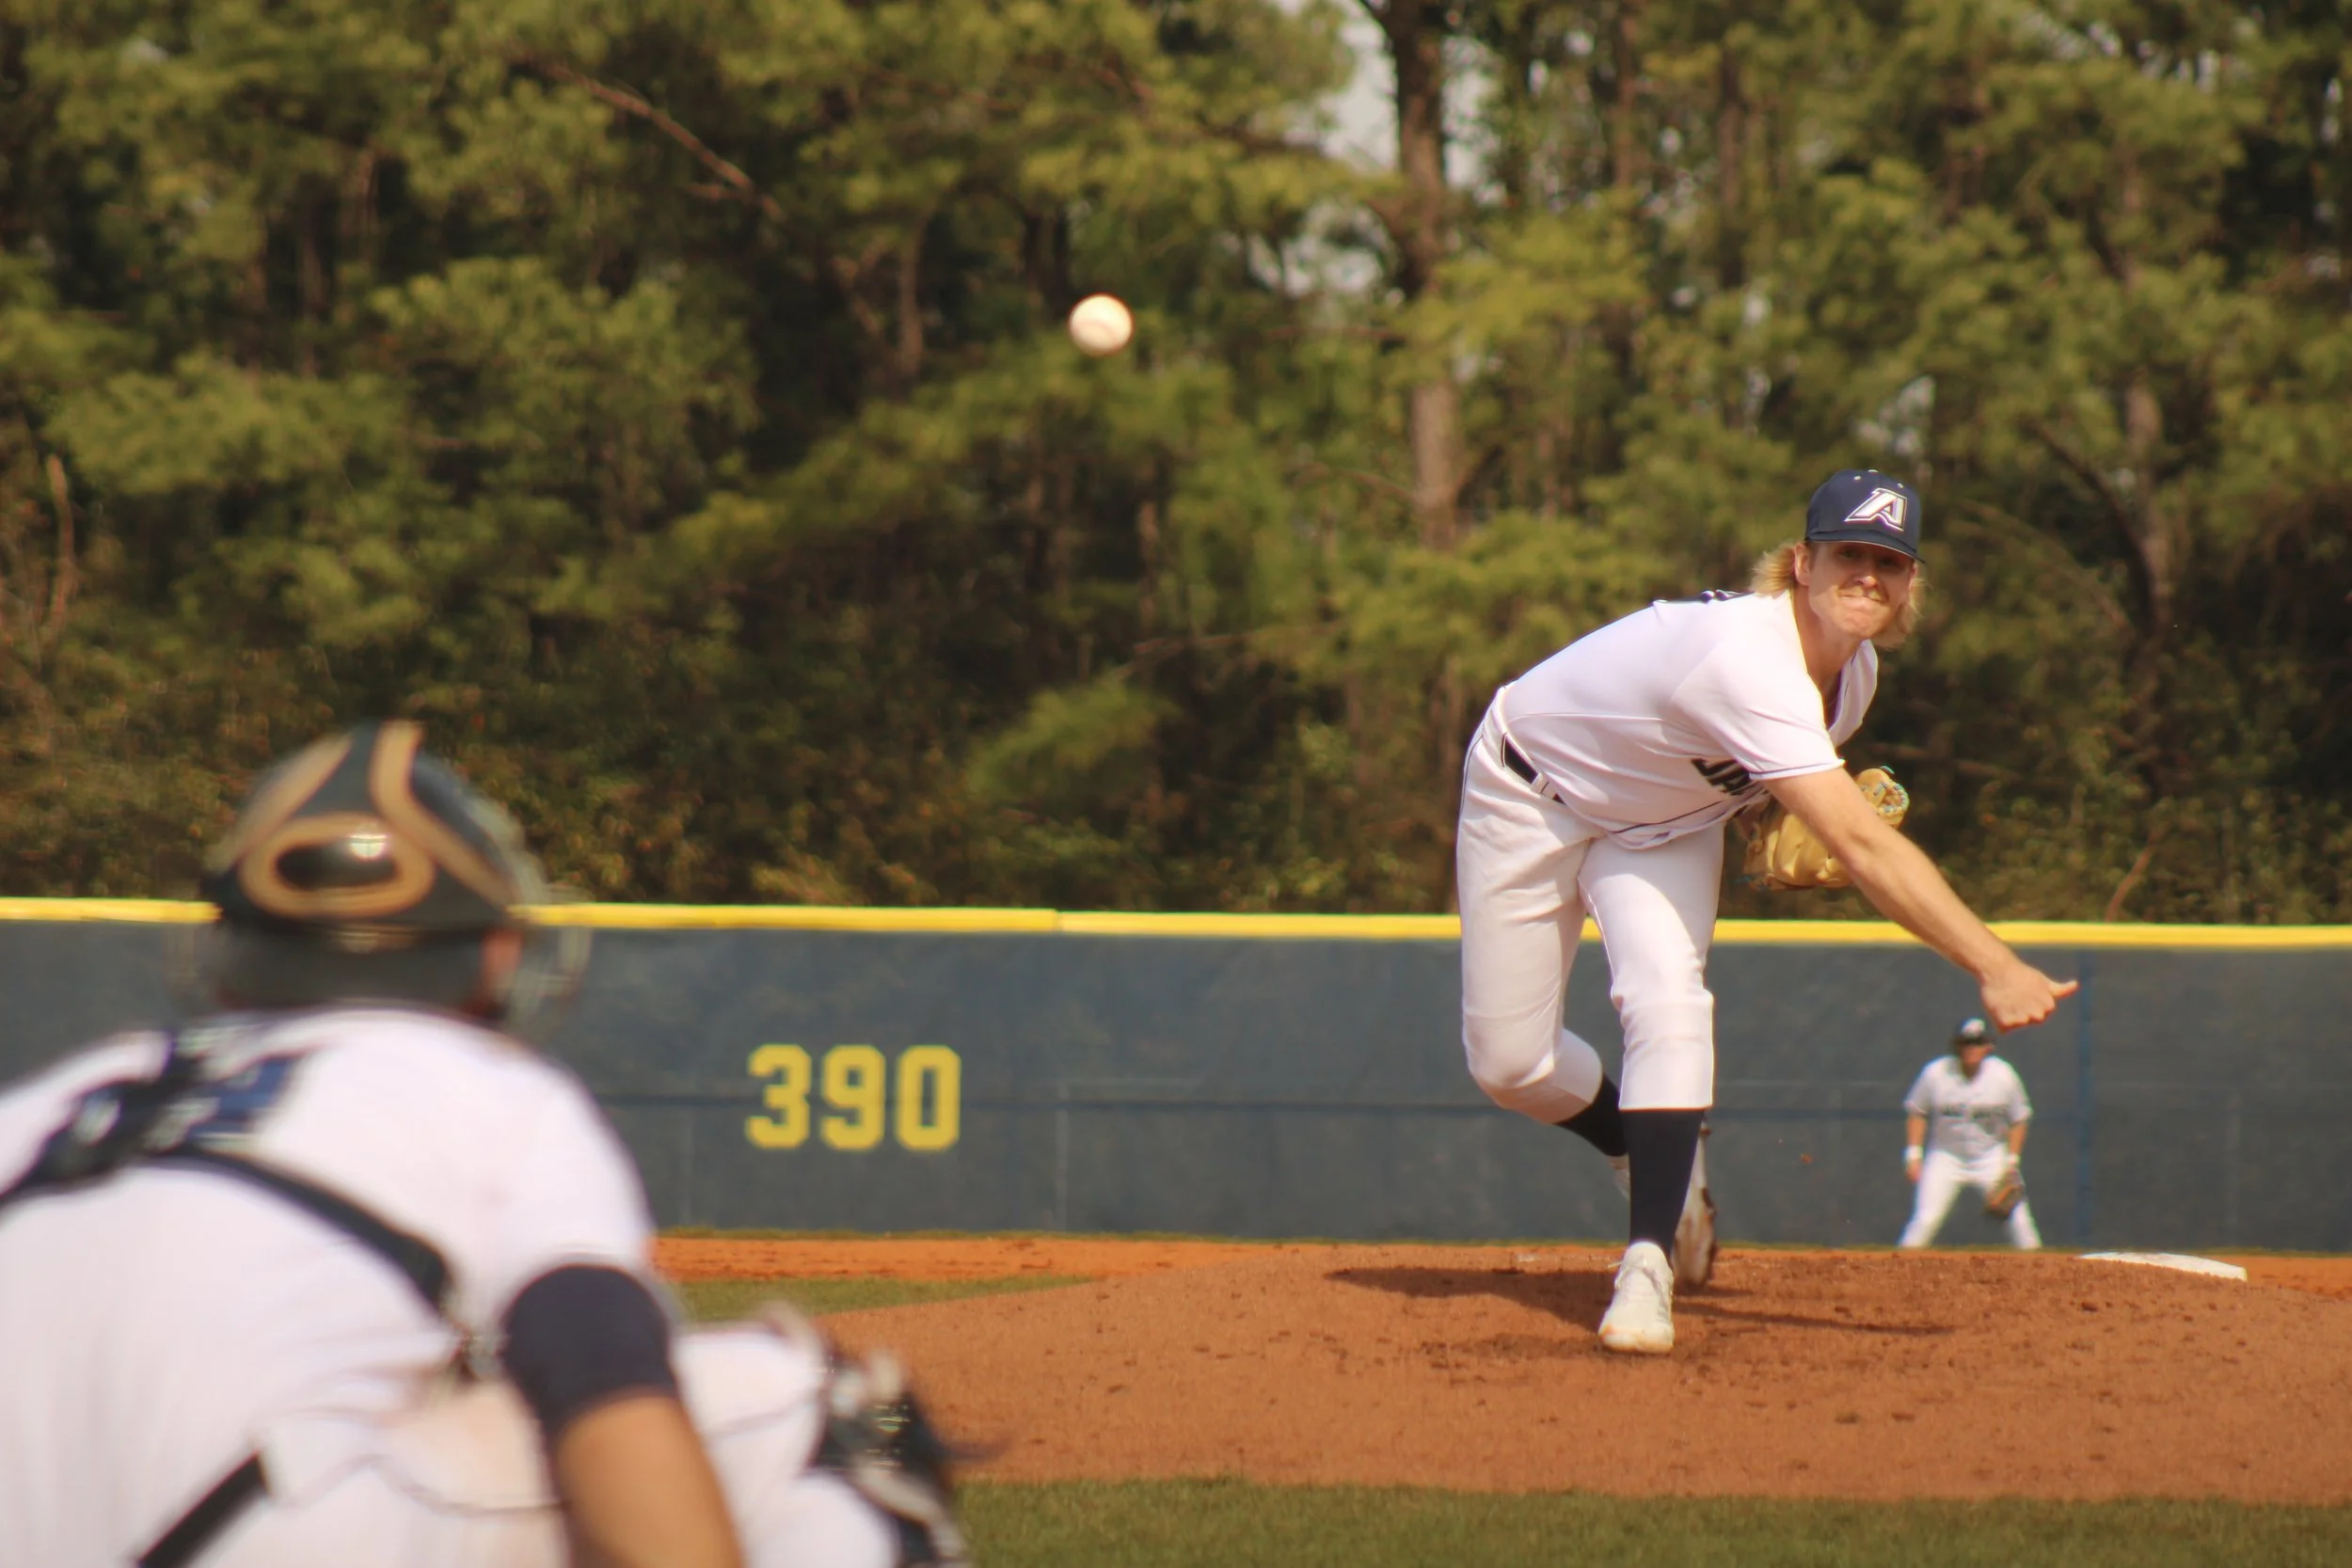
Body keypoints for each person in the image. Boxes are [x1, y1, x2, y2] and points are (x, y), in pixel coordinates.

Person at [0, 721, 963, 1568]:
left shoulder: (54, 1101)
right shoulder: (484, 1090)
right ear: (493, 949)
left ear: (230, 950)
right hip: (249, 1532)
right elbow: (598, 1372)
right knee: (828, 1409)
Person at [1454, 469, 2076, 1355]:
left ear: (1910, 586)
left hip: (1659, 825)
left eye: (1889, 563)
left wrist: (1767, 820)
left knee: (1669, 1004)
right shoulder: (1746, 657)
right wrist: (1994, 964)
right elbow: (1863, 847)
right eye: (1848, 555)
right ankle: (1637, 1141)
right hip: (1528, 789)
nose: (1868, 576)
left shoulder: (1852, 678)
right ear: (1801, 563)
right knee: (1511, 1065)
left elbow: (1747, 776)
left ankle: (1647, 1262)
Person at [1898, 1017, 2042, 1250]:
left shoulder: (2003, 1075)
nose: (1971, 1049)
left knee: (2021, 1223)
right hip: (1945, 1156)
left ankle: (2046, 1277)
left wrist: (2012, 1162)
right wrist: (1913, 1154)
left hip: (1990, 1156)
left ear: (1988, 1046)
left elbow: (2019, 1118)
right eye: (1966, 1043)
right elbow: (1917, 1110)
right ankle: (1892, 1274)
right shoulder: (1936, 1073)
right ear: (1956, 1046)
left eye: (1977, 1042)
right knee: (1925, 1219)